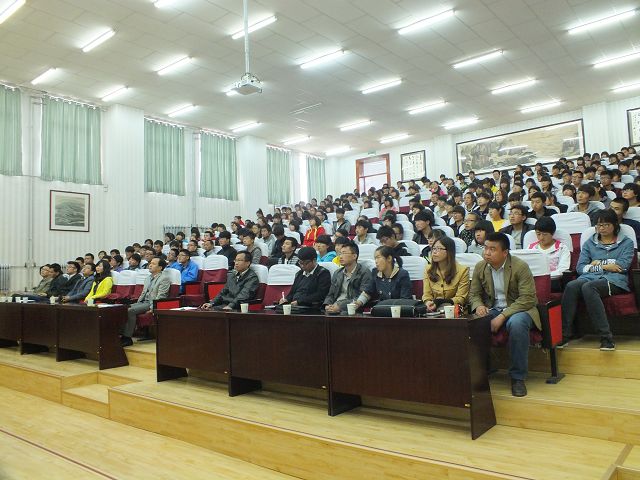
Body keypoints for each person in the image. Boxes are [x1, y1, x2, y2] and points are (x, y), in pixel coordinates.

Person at [468, 232, 539, 397]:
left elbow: (528, 298)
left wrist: (503, 316)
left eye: (492, 249)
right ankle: (482, 369)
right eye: (486, 248)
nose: (487, 252)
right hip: (493, 309)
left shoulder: (520, 266)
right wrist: (478, 306)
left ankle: (517, 377)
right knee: (473, 323)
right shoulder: (480, 267)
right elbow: (474, 294)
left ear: (505, 252)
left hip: (520, 308)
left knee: (517, 324)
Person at [560, 210, 634, 351]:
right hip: (589, 277)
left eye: (606, 225)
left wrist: (596, 264)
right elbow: (580, 268)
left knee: (589, 287)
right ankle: (565, 334)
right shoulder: (589, 243)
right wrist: (606, 265)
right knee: (571, 285)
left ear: (615, 225)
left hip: (615, 280)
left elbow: (622, 266)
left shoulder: (626, 243)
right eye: (599, 225)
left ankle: (606, 338)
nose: (602, 228)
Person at [121, 258, 171, 347]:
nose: (150, 265)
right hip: (142, 302)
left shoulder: (164, 278)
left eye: (153, 264)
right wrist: (137, 303)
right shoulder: (148, 278)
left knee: (130, 311)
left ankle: (127, 338)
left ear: (160, 267)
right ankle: (121, 334)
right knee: (122, 308)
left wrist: (152, 308)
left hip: (151, 303)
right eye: (150, 263)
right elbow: (143, 293)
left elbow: (161, 296)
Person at [422, 236, 469, 312]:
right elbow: (427, 294)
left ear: (449, 251)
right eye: (433, 248)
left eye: (438, 249)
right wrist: (428, 302)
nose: (434, 252)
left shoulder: (463, 271)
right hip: (433, 311)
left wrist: (441, 302)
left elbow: (461, 298)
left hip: (454, 311)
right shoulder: (428, 269)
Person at [324, 242, 373, 314]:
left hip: (353, 308)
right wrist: (327, 305)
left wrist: (340, 306)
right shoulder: (337, 273)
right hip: (335, 306)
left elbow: (362, 295)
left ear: (354, 256)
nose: (340, 257)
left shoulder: (364, 272)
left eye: (344, 253)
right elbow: (331, 294)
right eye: (340, 254)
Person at [527, 217, 570, 292]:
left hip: (552, 281)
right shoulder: (530, 248)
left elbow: (563, 270)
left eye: (545, 234)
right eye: (538, 234)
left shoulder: (561, 248)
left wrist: (543, 277)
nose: (541, 238)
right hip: (532, 281)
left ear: (552, 233)